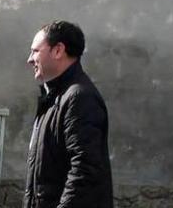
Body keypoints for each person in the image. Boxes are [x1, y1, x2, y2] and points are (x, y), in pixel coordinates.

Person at [24, 21, 112, 208]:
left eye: (35, 51)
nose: (30, 59)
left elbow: (85, 170)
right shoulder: (54, 96)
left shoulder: (79, 98)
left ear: (58, 51)